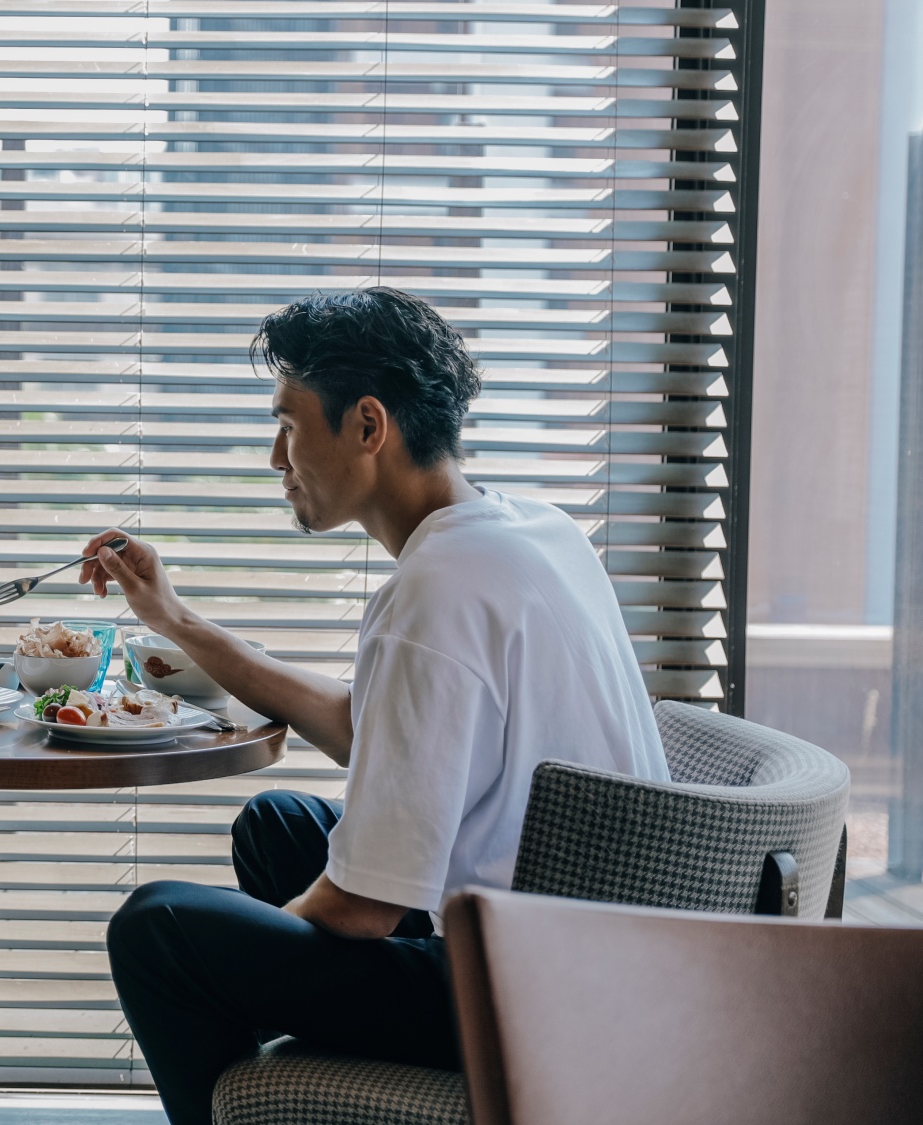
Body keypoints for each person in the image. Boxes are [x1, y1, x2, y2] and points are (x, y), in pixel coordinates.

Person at [79, 288, 669, 1125]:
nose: (276, 458)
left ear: (366, 425)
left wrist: (230, 974)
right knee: (278, 822)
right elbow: (371, 730)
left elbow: (361, 909)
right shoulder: (534, 532)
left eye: (287, 424)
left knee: (158, 930)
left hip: (524, 999)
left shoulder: (436, 593)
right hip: (597, 964)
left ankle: (236, 1108)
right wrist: (172, 619)